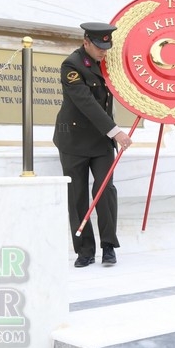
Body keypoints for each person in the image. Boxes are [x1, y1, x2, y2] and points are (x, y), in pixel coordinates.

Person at [53, 22, 133, 268]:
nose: (103, 51)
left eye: (106, 47)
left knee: (105, 190)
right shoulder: (72, 66)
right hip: (73, 140)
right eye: (99, 46)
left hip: (100, 141)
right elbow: (87, 103)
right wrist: (116, 132)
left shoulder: (107, 63)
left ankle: (108, 245)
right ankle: (84, 250)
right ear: (86, 41)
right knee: (77, 196)